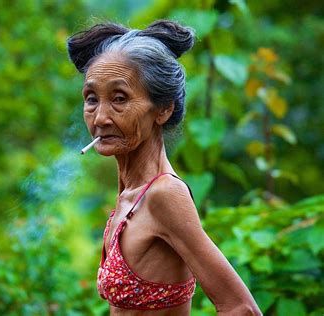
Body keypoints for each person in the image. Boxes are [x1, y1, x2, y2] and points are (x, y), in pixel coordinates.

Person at [66, 20, 262, 315]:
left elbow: (241, 307)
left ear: (163, 109)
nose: (101, 117)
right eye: (92, 99)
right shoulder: (130, 194)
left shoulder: (164, 195)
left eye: (119, 99)